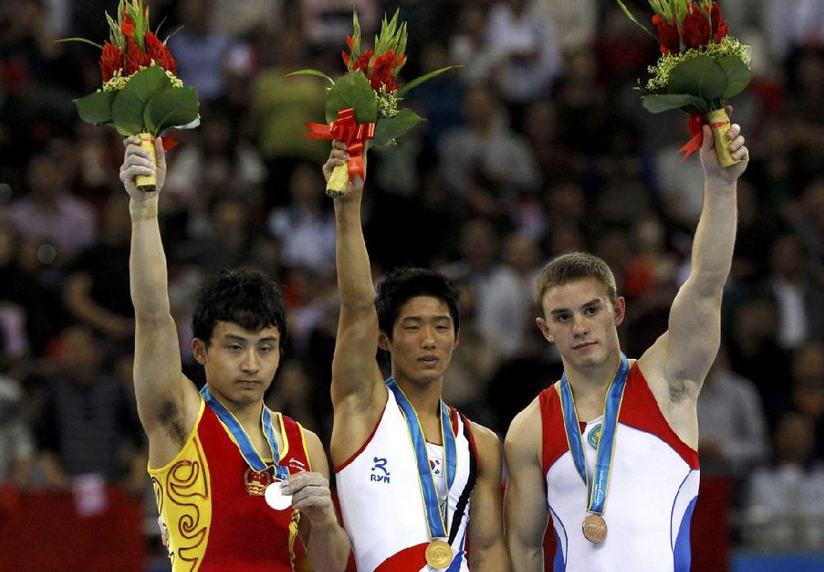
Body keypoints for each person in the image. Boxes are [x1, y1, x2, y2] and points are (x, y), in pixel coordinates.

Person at [504, 118, 749, 570]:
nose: (579, 326)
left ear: (617, 311)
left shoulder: (665, 380)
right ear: (545, 330)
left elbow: (706, 284)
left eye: (591, 310)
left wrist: (720, 185)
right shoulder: (529, 428)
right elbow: (523, 548)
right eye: (563, 316)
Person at [119, 136, 350, 572]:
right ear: (200, 351)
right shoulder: (178, 417)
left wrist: (324, 523)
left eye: (266, 348)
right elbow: (152, 316)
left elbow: (332, 567)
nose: (251, 364)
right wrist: (144, 208)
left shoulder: (307, 444)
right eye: (235, 347)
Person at [324, 142, 509, 571]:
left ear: (457, 337)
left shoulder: (481, 443)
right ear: (383, 339)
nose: (429, 339)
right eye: (412, 326)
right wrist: (347, 210)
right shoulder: (362, 408)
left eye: (441, 326)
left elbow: (486, 551)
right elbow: (356, 306)